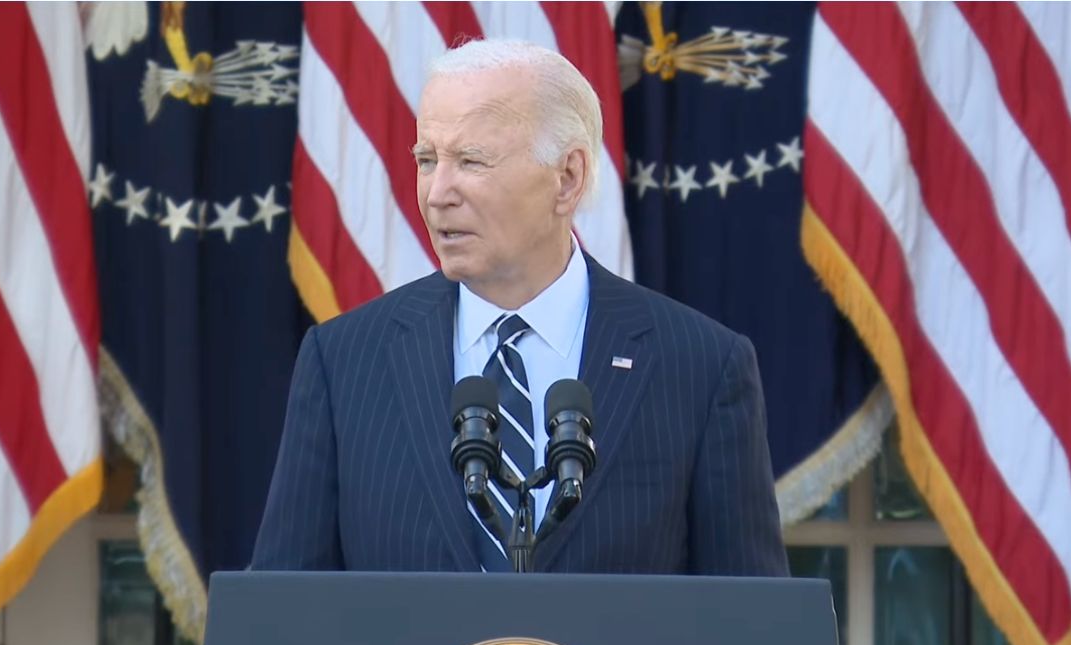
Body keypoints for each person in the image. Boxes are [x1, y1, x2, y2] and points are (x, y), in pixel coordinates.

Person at [251, 39, 787, 576]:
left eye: (471, 161)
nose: (437, 193)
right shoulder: (343, 362)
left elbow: (749, 614)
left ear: (567, 178)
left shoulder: (700, 366)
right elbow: (282, 607)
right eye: (426, 160)